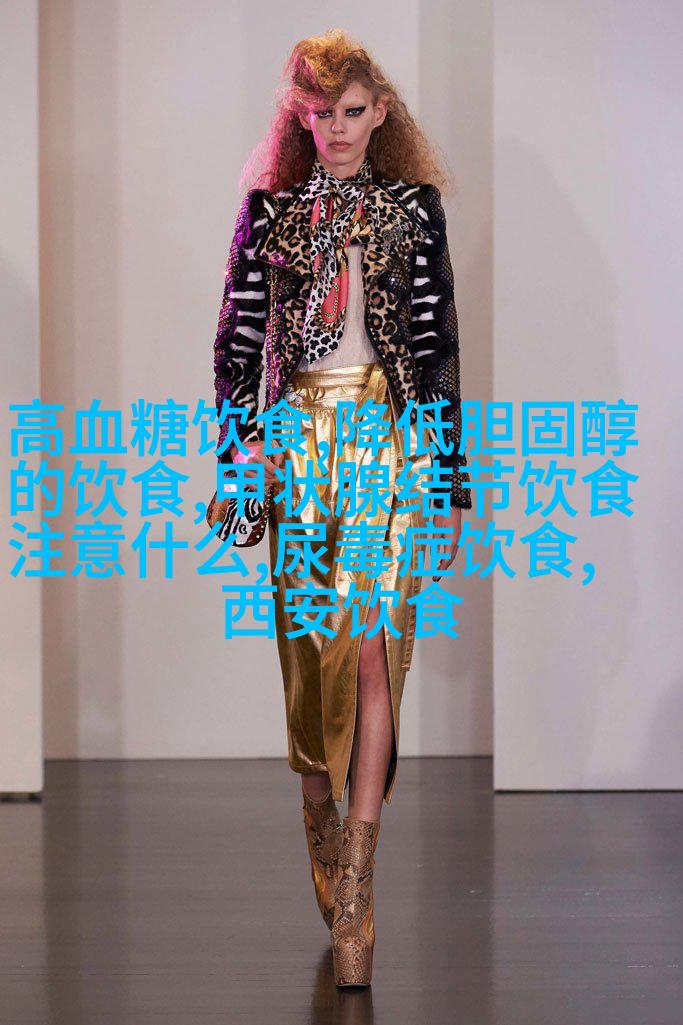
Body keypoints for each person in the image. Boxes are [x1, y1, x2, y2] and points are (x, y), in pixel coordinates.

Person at [212, 28, 472, 987]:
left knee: (372, 649)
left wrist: (448, 484)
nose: (336, 128)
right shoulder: (270, 212)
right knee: (306, 654)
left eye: (352, 110)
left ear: (380, 112)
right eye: (319, 113)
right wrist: (239, 462)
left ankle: (357, 883)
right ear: (300, 117)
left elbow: (437, 352)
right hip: (296, 443)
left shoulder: (414, 209)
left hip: (388, 442)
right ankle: (318, 814)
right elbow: (236, 349)